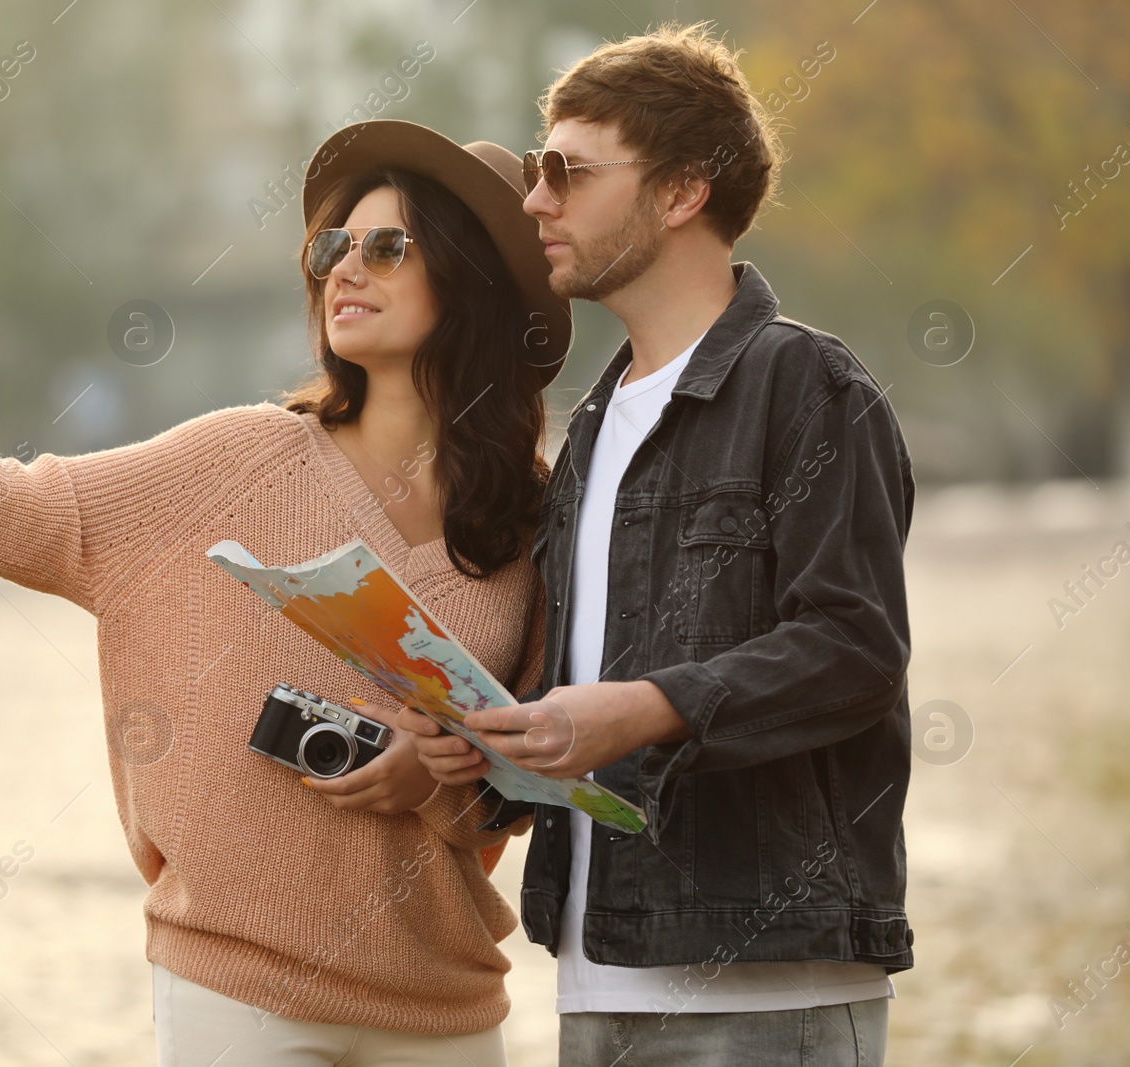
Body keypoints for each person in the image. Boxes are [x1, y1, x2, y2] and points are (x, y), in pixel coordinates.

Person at [0, 120, 573, 1065]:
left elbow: (531, 780)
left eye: (387, 246)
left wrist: (435, 775)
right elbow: (37, 510)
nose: (345, 269)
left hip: (442, 1003)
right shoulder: (238, 458)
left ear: (470, 279)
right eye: (330, 248)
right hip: (239, 986)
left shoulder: (531, 516)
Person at [403, 23, 913, 1066]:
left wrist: (644, 708)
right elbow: (587, 686)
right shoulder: (589, 428)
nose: (536, 199)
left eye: (567, 172)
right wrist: (493, 748)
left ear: (681, 191)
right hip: (596, 974)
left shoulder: (804, 388)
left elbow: (855, 650)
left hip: (771, 986)